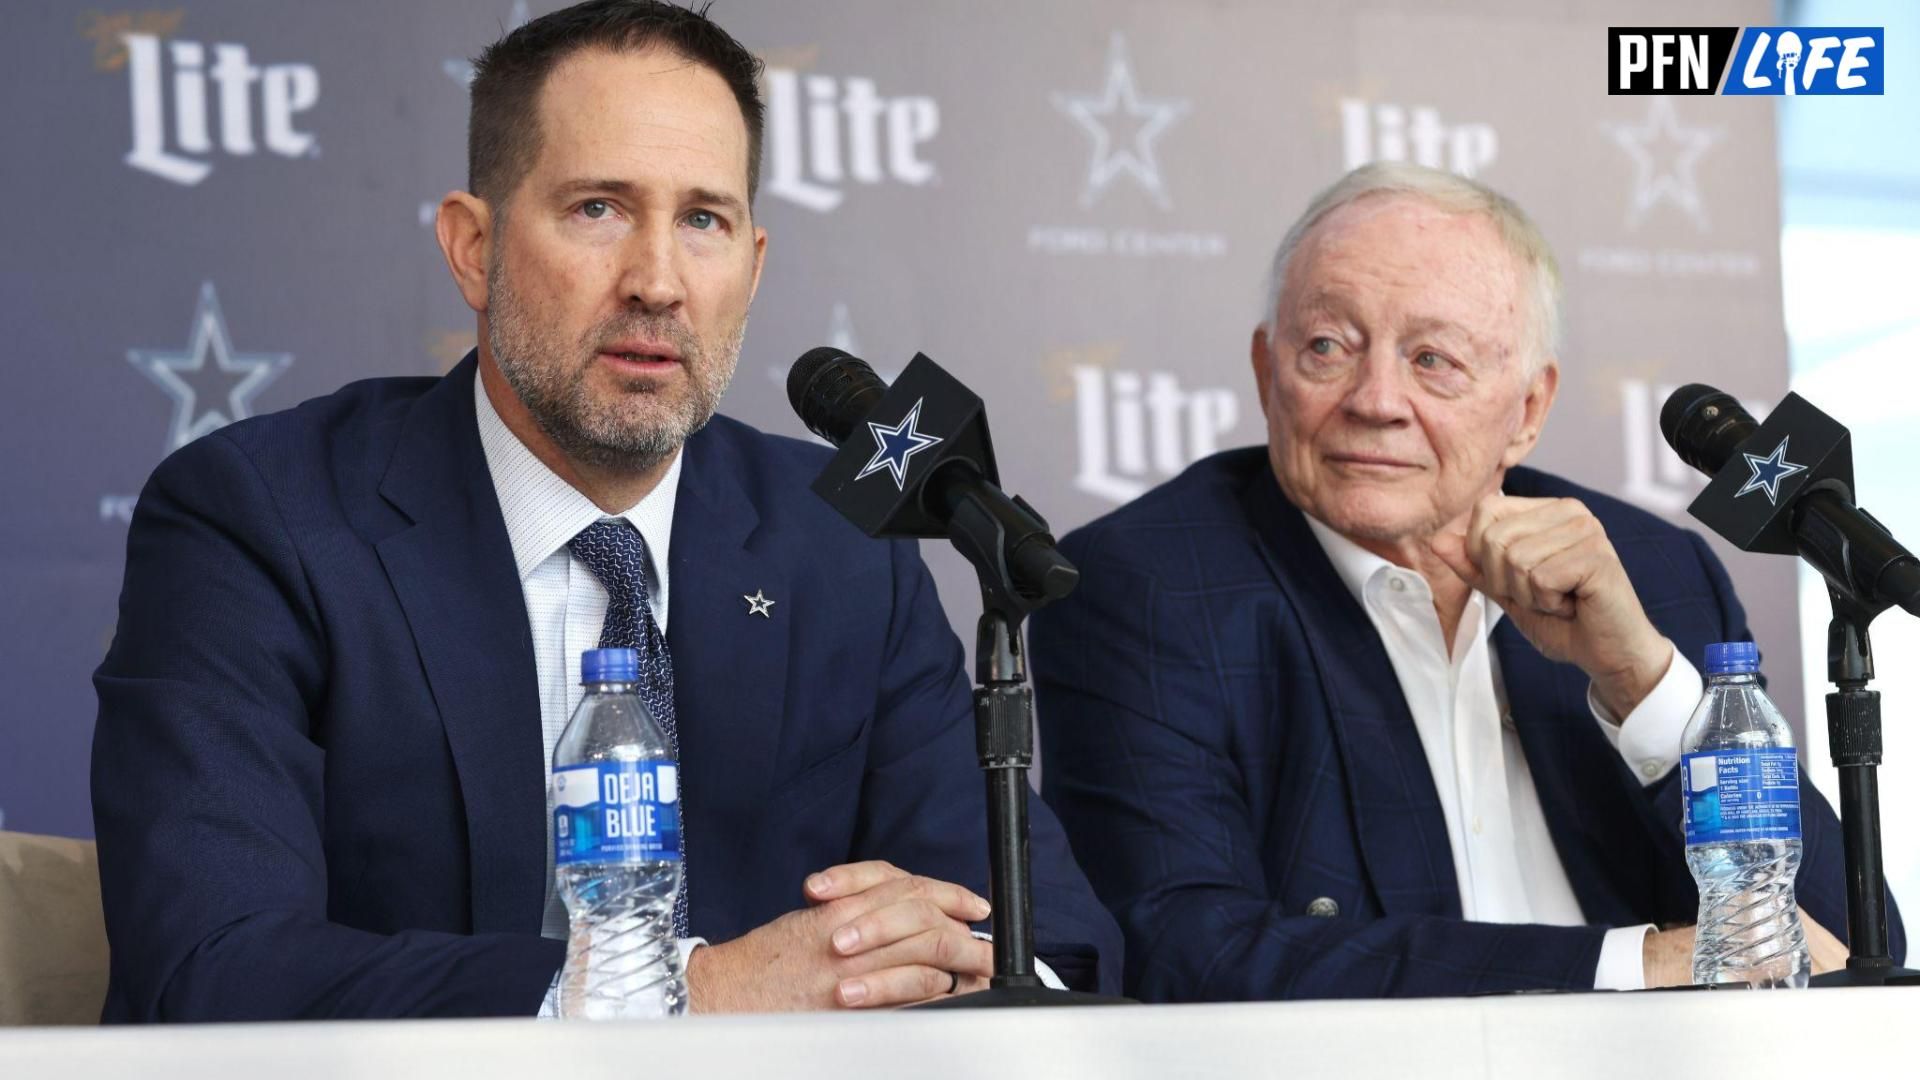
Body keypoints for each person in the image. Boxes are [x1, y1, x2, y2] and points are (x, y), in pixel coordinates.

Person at [91, 0, 1118, 1021]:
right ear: (470, 248)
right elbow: (210, 965)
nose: (659, 282)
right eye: (599, 209)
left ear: (752, 270)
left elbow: (1049, 945)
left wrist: (947, 962)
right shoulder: (263, 520)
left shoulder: (844, 552)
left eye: (703, 220)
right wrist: (686, 997)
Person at [1030, 161, 1902, 1000]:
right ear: (1267, 372)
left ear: (1527, 410)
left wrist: (1641, 680)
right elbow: (1181, 952)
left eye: (1433, 359)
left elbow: (1842, 942)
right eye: (1328, 347)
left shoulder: (1656, 573)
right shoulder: (1149, 585)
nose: (1375, 399)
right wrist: (1633, 969)